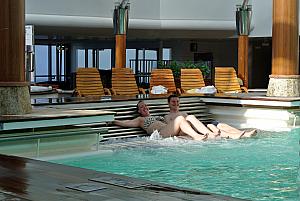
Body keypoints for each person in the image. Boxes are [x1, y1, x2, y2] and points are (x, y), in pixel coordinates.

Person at [164, 94, 257, 139]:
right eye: (173, 102)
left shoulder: (184, 113)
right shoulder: (168, 116)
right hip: (189, 131)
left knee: (220, 125)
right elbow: (174, 128)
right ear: (168, 103)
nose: (176, 104)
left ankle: (244, 133)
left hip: (198, 127)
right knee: (211, 126)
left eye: (177, 102)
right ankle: (233, 136)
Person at [113, 100, 208, 141]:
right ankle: (196, 136)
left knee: (188, 119)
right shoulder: (140, 119)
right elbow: (127, 123)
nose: (145, 107)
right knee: (180, 118)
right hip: (160, 133)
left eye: (145, 106)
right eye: (142, 107)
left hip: (168, 130)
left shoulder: (157, 116)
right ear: (139, 111)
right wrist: (113, 120)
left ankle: (206, 134)